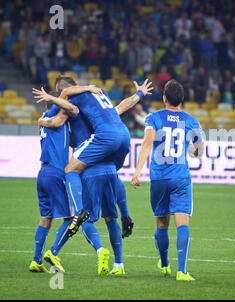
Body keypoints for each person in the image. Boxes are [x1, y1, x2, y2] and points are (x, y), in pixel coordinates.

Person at [32, 77, 153, 238]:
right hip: (122, 136)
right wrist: (139, 93)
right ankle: (125, 217)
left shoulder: (72, 102)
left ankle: (79, 212)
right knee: (112, 179)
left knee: (71, 170)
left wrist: (42, 119)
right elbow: (121, 107)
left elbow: (59, 119)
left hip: (99, 145)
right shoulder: (98, 93)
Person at [131, 79, 204, 281]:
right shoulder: (192, 121)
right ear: (182, 100)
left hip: (159, 178)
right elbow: (199, 152)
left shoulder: (153, 118)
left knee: (162, 224)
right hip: (180, 177)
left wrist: (137, 172)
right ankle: (182, 271)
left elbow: (146, 143)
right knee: (182, 225)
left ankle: (164, 264)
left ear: (164, 98)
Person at [30, 91, 72, 273]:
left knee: (46, 218)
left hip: (43, 173)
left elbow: (50, 121)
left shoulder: (43, 119)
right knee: (70, 219)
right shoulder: (58, 118)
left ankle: (36, 260)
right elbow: (59, 120)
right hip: (55, 172)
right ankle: (52, 252)